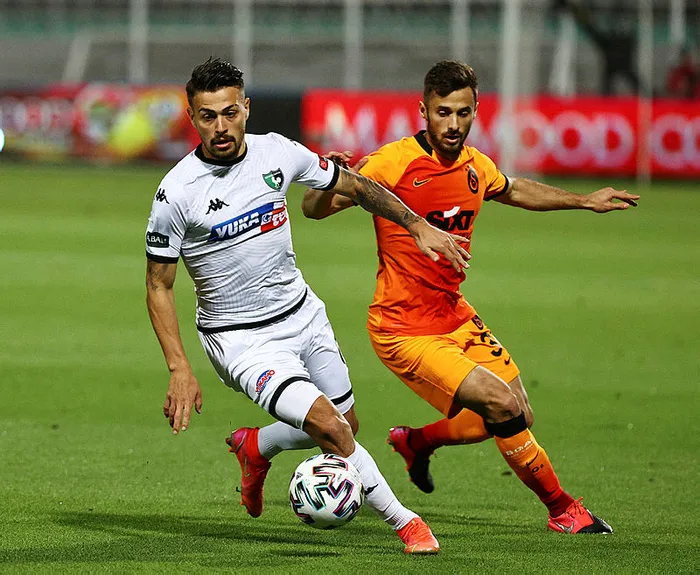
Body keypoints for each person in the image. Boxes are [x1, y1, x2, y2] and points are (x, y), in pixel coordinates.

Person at [145, 57, 472, 555]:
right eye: (208, 116)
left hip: (303, 314)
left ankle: (257, 446)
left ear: (246, 108)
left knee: (347, 425)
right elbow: (158, 285)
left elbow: (354, 185)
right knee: (331, 428)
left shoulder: (278, 152)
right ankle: (407, 523)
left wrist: (416, 225)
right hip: (242, 341)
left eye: (229, 113)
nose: (221, 127)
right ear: (193, 117)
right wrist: (179, 367)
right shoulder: (176, 193)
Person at [302, 60, 641, 535]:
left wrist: (583, 200)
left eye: (463, 113)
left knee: (518, 412)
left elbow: (515, 189)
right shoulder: (392, 163)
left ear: (476, 111)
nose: (453, 124)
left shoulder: (475, 165)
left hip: (454, 315)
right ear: (423, 111)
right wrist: (329, 179)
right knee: (501, 404)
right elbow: (314, 209)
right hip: (403, 329)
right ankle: (563, 510)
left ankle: (417, 442)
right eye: (443, 112)